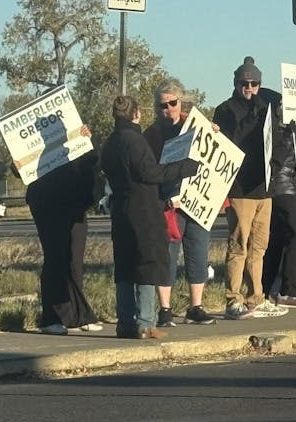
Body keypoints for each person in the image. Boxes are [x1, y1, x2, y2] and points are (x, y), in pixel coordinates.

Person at [100, 95, 197, 339]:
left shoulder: (110, 142)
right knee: (147, 264)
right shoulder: (136, 141)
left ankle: (125, 322)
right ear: (137, 114)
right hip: (143, 210)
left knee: (124, 266)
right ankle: (145, 322)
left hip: (119, 208)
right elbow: (150, 173)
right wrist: (184, 167)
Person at [213, 56, 289, 320]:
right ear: (235, 84)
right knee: (238, 244)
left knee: (259, 247)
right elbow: (231, 141)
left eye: (254, 84)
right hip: (240, 188)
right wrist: (251, 119)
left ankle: (256, 296)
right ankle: (233, 298)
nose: (249, 88)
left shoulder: (266, 109)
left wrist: (276, 166)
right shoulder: (225, 110)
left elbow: (277, 142)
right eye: (244, 84)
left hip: (262, 188)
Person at [143, 77, 216, 327]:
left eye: (173, 103)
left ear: (180, 102)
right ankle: (165, 309)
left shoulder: (195, 124)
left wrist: (214, 134)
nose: (168, 109)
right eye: (163, 105)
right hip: (168, 204)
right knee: (167, 255)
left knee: (198, 253)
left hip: (197, 202)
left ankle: (196, 306)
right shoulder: (152, 134)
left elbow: (214, 154)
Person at [24, 127, 103, 335]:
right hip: (47, 203)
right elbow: (23, 168)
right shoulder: (32, 143)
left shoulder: (76, 137)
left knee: (75, 260)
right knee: (55, 257)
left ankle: (78, 315)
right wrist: (15, 166)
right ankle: (51, 318)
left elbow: (92, 162)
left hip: (75, 202)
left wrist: (88, 142)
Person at [261, 122, 296, 308]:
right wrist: (289, 134)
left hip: (280, 187)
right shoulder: (281, 133)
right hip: (284, 188)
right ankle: (289, 291)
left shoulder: (273, 129)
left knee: (276, 240)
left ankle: (263, 288)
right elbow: (279, 158)